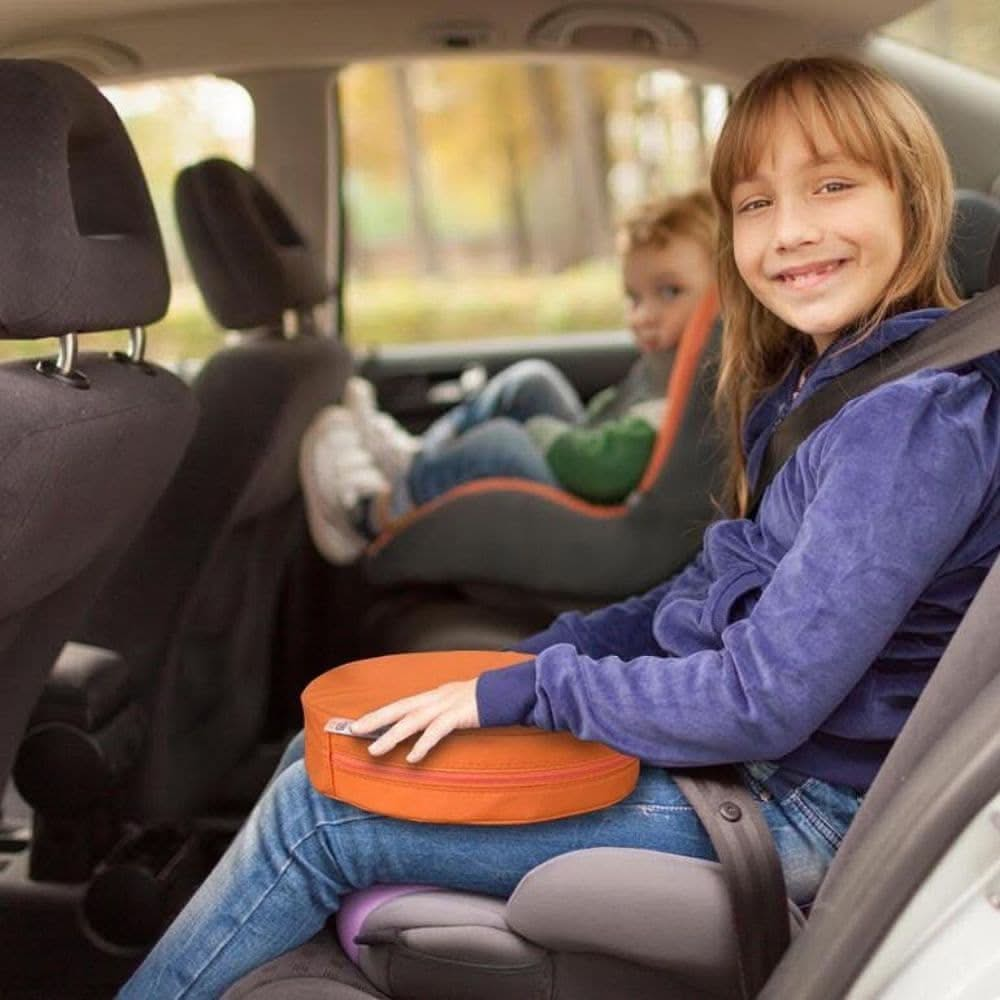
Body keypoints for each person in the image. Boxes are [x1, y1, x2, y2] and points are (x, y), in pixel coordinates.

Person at [119, 56, 1000, 999]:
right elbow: (703, 589)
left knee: (316, 810)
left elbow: (762, 700)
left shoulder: (908, 427)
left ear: (915, 198)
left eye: (833, 186)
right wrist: (525, 662)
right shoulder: (826, 385)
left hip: (799, 816)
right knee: (339, 751)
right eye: (754, 203)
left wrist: (535, 692)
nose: (791, 232)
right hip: (754, 776)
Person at [300, 190, 717, 562]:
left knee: (501, 443)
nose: (641, 316)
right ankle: (418, 457)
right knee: (531, 380)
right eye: (633, 297)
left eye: (669, 292)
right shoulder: (671, 359)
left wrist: (541, 432)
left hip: (604, 512)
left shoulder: (704, 384)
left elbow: (604, 469)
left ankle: (367, 515)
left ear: (725, 298)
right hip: (597, 459)